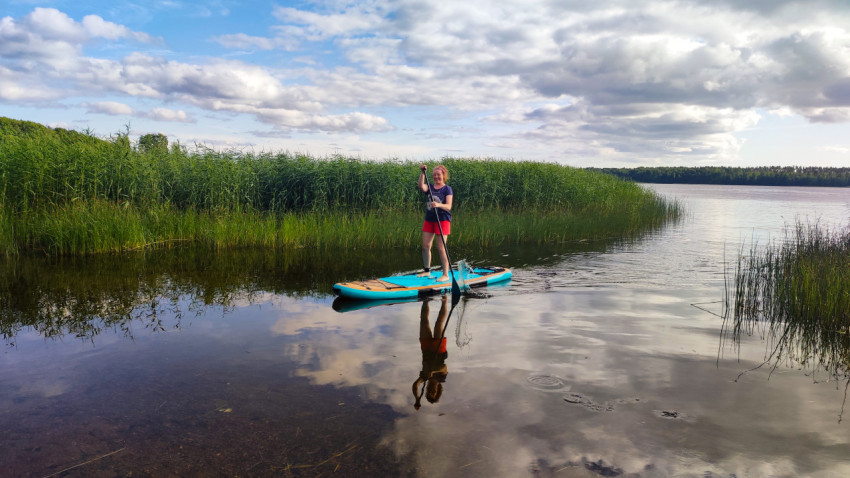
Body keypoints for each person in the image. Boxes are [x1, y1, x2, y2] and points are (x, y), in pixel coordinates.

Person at [417, 164, 453, 282]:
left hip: (442, 220)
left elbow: (448, 206)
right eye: (435, 175)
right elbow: (421, 186)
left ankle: (445, 274)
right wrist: (423, 173)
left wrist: (438, 205)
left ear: (443, 175)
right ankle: (427, 271)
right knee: (425, 246)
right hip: (429, 219)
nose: (436, 177)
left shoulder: (447, 189)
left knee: (441, 248)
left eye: (439, 174)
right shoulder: (430, 187)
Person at [412, 296, 449, 410]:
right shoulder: (441, 378)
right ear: (438, 390)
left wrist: (417, 398)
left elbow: (415, 385)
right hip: (439, 350)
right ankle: (444, 300)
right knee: (439, 323)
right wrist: (432, 372)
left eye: (429, 393)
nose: (431, 391)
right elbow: (444, 367)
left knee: (424, 321)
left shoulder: (424, 378)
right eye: (434, 392)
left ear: (426, 390)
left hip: (426, 349)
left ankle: (426, 300)